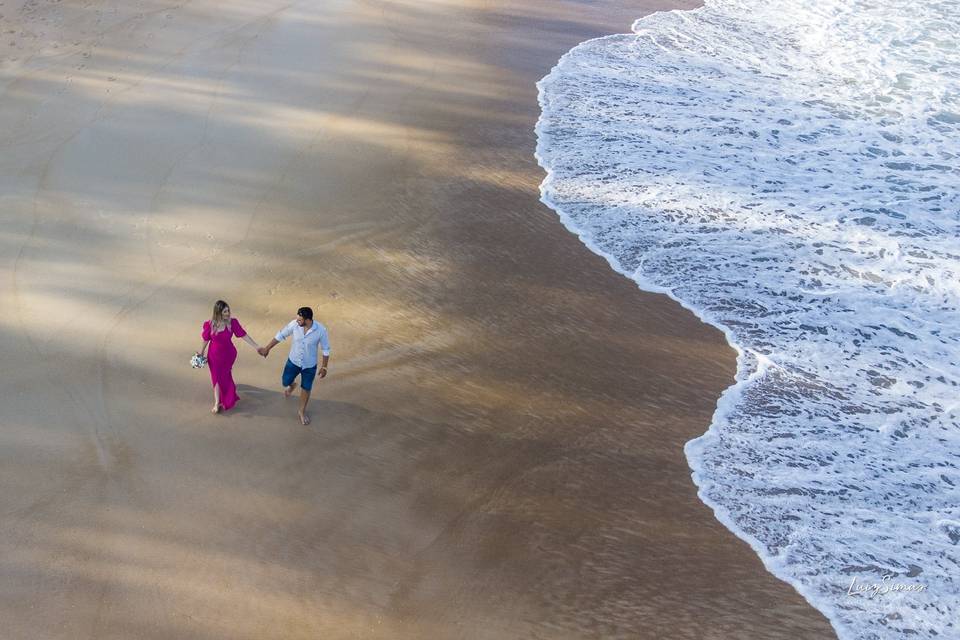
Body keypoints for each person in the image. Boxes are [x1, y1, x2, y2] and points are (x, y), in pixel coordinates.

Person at [259, 306, 330, 425]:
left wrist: (324, 367)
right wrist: (267, 348)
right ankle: (291, 385)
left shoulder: (321, 330)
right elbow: (280, 335)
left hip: (309, 366)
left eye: (300, 320)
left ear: (308, 320)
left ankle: (301, 411)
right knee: (285, 381)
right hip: (293, 361)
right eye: (297, 319)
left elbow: (326, 349)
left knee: (306, 388)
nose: (297, 321)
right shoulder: (294, 324)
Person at [198, 300, 264, 414]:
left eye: (228, 310)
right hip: (214, 356)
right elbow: (205, 339)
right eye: (224, 311)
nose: (228, 313)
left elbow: (243, 335)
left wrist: (256, 346)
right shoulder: (210, 324)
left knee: (224, 374)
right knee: (216, 377)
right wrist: (201, 352)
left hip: (229, 354)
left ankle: (226, 392)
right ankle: (217, 402)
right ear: (218, 312)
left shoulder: (232, 322)